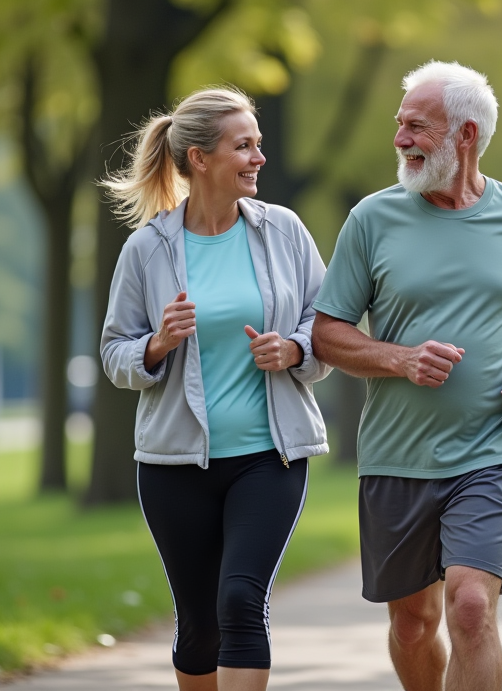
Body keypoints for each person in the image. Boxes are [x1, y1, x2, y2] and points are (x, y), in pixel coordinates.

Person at [311, 61, 502, 691]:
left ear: (465, 134)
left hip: (492, 449)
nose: (400, 138)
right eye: (399, 124)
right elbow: (327, 332)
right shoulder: (371, 219)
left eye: (416, 125)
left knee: (470, 608)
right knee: (414, 624)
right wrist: (399, 358)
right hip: (396, 456)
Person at [99, 87, 331, 691]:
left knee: (239, 599)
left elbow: (324, 323)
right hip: (176, 463)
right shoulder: (147, 249)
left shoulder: (284, 230)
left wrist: (295, 349)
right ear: (200, 159)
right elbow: (113, 352)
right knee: (199, 622)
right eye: (243, 146)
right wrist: (155, 346)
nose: (258, 157)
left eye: (258, 144)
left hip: (268, 457)